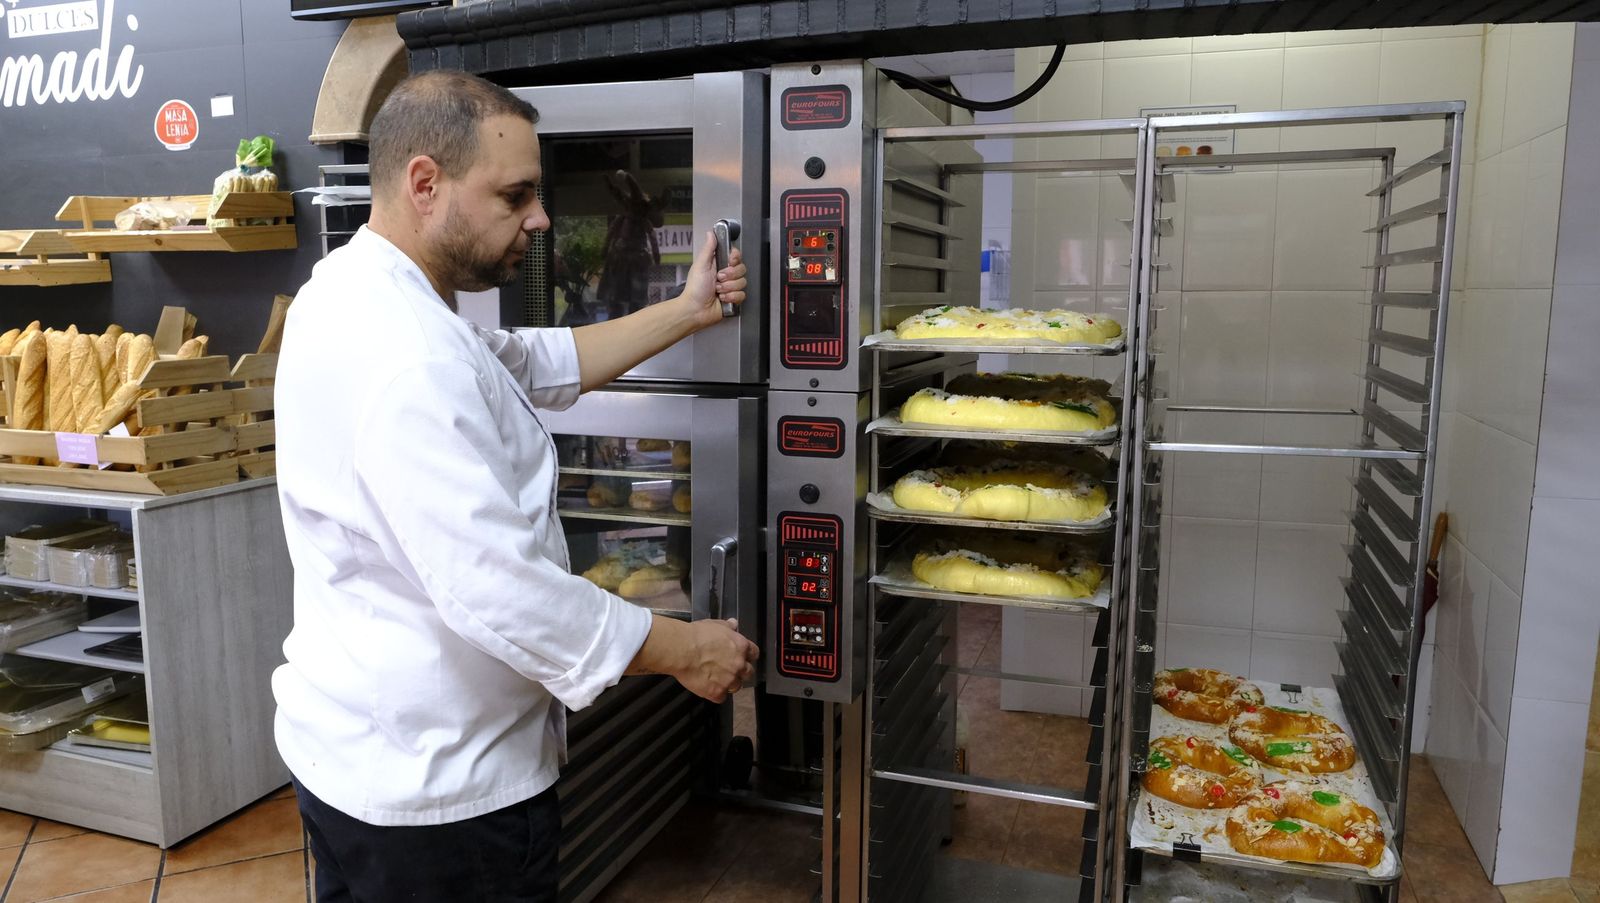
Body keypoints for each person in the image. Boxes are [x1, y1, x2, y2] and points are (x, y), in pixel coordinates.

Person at [271, 69, 759, 903]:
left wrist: (689, 309)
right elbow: (502, 593)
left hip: (358, 754)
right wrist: (689, 648)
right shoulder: (405, 358)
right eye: (515, 194)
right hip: (442, 796)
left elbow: (533, 362)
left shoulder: (358, 289)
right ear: (425, 183)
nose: (539, 217)